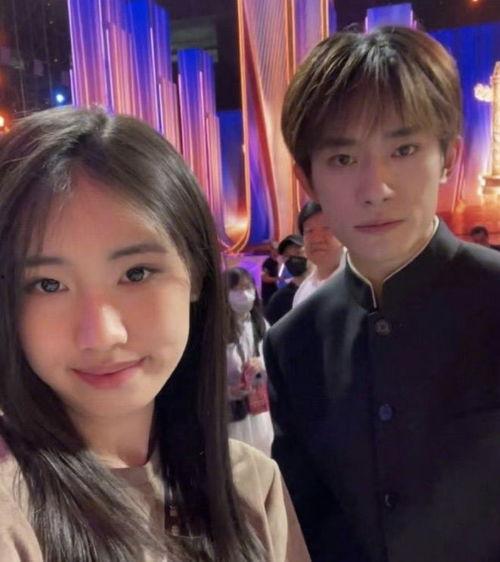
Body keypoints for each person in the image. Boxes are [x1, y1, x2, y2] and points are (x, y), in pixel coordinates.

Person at [0, 107, 310, 562]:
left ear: (197, 274)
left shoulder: (249, 484)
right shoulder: (13, 511)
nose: (102, 335)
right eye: (48, 285)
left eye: (136, 273)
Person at [264, 25, 500, 562]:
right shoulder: (294, 343)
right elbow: (307, 522)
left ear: (450, 157)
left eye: (404, 149)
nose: (376, 189)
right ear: (308, 180)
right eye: (343, 159)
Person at [225, 267, 274, 456]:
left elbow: (273, 356)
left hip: (259, 409)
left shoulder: (259, 323)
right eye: (236, 289)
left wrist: (262, 363)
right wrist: (229, 391)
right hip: (231, 415)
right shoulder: (215, 331)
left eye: (247, 287)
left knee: (262, 457)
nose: (244, 294)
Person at [292, 201, 343, 308]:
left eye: (327, 228)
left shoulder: (360, 285)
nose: (316, 239)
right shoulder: (303, 291)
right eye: (309, 231)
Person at [264, 235, 307, 325]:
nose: (293, 259)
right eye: (287, 256)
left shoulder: (325, 288)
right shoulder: (280, 298)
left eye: (298, 253)